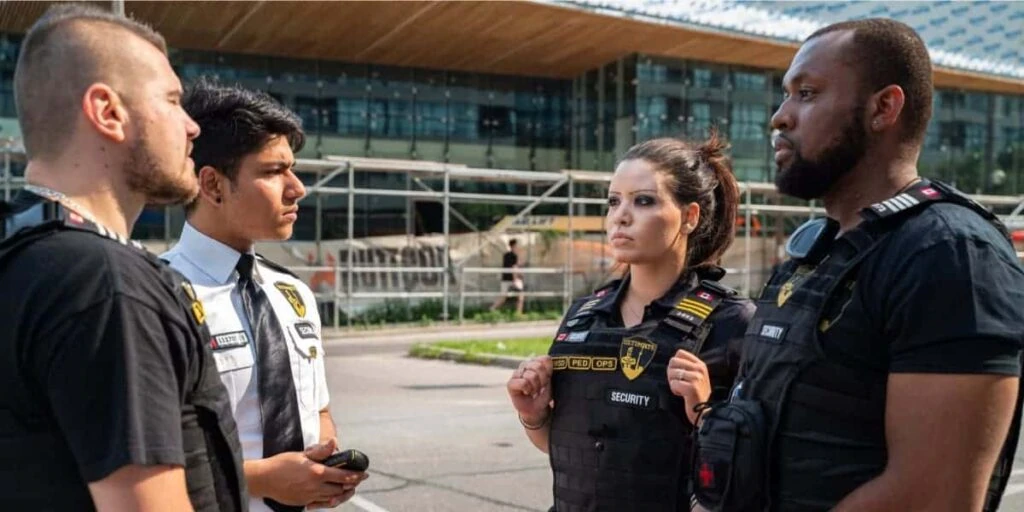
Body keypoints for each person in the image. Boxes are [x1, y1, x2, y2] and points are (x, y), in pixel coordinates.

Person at [693, 18, 1024, 512]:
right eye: (785, 95)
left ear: (883, 108)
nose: (780, 118)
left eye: (806, 93)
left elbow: (931, 498)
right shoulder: (817, 252)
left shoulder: (951, 256)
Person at [0, 5, 247, 511]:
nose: (191, 126)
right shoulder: (106, 285)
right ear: (108, 112)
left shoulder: (22, 257)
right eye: (173, 100)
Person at [507, 132, 756, 511]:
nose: (621, 216)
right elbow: (578, 451)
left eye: (643, 201)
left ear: (690, 217)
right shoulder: (583, 316)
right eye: (613, 201)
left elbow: (755, 472)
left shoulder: (733, 322)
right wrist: (535, 416)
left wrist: (705, 413)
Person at [161, 80, 367, 512]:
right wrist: (265, 479)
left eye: (292, 169)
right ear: (213, 185)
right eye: (274, 172)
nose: (297, 188)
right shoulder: (157, 296)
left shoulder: (293, 293)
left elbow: (319, 408)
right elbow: (142, 456)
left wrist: (323, 470)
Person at [491, 238, 525, 314]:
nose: (518, 247)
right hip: (512, 279)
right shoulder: (514, 255)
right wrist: (515, 279)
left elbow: (512, 266)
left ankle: (492, 309)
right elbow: (514, 268)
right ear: (514, 246)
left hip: (505, 279)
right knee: (520, 297)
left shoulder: (506, 255)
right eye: (517, 245)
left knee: (503, 297)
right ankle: (518, 313)